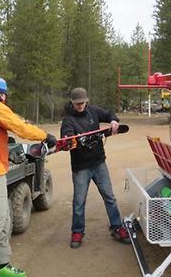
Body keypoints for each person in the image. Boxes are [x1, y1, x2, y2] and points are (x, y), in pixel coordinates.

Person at [0, 77, 57, 277]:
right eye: (5, 95)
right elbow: (20, 126)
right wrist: (44, 136)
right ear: (1, 94)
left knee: (4, 219)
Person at [60, 87, 130, 249]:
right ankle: (77, 231)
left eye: (83, 103)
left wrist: (113, 120)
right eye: (77, 104)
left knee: (109, 197)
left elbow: (108, 114)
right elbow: (67, 135)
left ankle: (116, 227)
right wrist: (68, 139)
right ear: (72, 102)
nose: (80, 106)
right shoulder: (68, 120)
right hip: (80, 167)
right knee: (79, 202)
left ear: (87, 101)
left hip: (99, 163)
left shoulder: (93, 111)